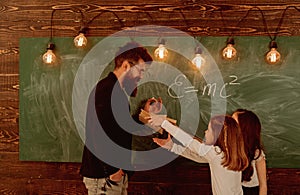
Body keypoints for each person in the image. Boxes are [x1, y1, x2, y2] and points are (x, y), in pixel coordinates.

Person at [80, 41, 153, 195]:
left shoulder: (116, 92)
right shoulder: (105, 90)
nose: (141, 76)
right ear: (126, 65)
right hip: (105, 177)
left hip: (113, 176)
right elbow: (97, 132)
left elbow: (119, 128)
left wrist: (142, 115)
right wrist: (113, 171)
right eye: (140, 71)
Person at [149, 114, 249, 195]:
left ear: (218, 136)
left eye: (209, 129)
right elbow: (198, 157)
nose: (205, 132)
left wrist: (164, 123)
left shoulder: (216, 154)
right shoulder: (231, 154)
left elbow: (189, 142)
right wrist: (172, 146)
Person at [232, 109, 267, 195]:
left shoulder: (256, 153)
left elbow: (263, 186)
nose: (230, 125)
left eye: (234, 123)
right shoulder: (230, 150)